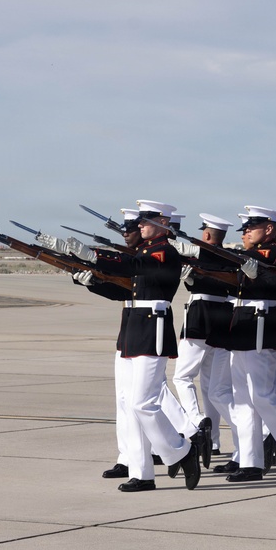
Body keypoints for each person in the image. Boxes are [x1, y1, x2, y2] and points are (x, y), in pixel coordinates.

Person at [69, 200, 201, 492]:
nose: (138, 225)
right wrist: (91, 281)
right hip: (132, 327)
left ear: (162, 222)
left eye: (145, 220)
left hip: (152, 328)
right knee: (130, 405)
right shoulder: (143, 250)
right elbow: (123, 290)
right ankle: (142, 473)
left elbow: (136, 266)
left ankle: (181, 450)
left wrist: (93, 255)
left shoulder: (165, 252)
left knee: (144, 402)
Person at [220, 206, 276, 483]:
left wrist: (254, 271)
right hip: (243, 327)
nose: (246, 233)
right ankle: (251, 462)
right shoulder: (249, 256)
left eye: (252, 227)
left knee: (262, 395)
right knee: (243, 399)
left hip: (262, 328)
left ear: (269, 228)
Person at [172, 213, 238, 464]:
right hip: (223, 321)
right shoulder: (228, 258)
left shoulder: (206, 254)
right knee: (214, 388)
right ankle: (221, 440)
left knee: (183, 376)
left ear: (208, 235)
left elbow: (204, 271)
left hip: (200, 319)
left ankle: (197, 421)